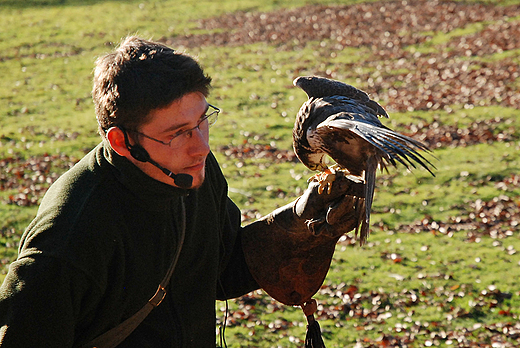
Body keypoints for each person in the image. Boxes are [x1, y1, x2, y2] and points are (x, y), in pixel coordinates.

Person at [0, 36, 364, 347]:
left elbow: (217, 269)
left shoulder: (194, 173)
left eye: (202, 120)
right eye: (177, 133)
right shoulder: (70, 235)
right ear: (121, 141)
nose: (201, 146)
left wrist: (298, 223)